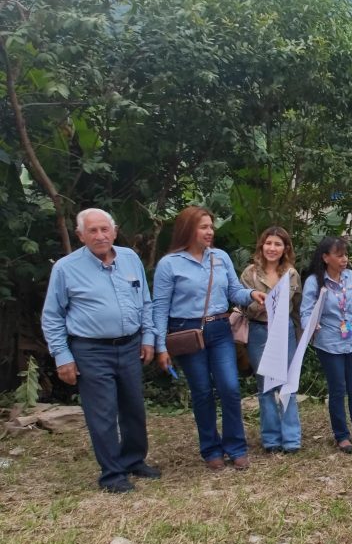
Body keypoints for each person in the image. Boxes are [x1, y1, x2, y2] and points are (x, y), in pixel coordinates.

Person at [41, 208, 160, 493]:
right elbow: (52, 315)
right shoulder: (65, 268)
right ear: (80, 235)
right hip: (91, 350)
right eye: (92, 231)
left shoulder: (130, 259)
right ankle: (112, 474)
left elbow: (145, 302)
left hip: (130, 344)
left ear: (115, 231)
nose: (100, 235)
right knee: (102, 414)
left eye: (104, 229)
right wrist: (63, 356)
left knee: (133, 407)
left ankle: (133, 460)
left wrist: (148, 338)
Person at [154, 206, 265, 471]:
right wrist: (160, 346)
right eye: (203, 227)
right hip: (187, 332)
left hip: (219, 328)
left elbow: (234, 291)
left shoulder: (220, 257)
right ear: (187, 229)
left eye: (211, 227)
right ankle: (210, 449)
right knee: (202, 391)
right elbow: (159, 307)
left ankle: (236, 447)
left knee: (229, 387)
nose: (209, 232)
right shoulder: (169, 264)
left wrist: (251, 295)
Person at [302, 237, 352, 454]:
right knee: (337, 390)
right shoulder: (315, 282)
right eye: (339, 255)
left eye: (345, 255)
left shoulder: (350, 277)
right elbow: (306, 311)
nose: (345, 259)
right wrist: (311, 327)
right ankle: (342, 435)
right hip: (329, 343)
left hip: (351, 340)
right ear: (326, 258)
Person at [240, 226, 303, 454]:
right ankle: (271, 439)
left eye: (277, 244)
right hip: (259, 330)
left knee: (288, 385)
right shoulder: (250, 274)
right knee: (265, 387)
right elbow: (241, 304)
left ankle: (292, 439)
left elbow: (296, 307)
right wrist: (263, 304)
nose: (272, 248)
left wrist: (300, 333)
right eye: (268, 243)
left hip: (284, 330)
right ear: (261, 245)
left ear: (285, 248)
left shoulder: (292, 274)